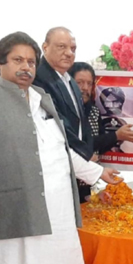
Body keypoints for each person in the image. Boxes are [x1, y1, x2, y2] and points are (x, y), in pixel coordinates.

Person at [0, 32, 122, 264]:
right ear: (1, 64)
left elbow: (60, 150)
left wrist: (96, 172)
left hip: (57, 213)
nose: (26, 67)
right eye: (17, 60)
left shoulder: (41, 97)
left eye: (31, 61)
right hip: (14, 212)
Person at [33, 27, 95, 202]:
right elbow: (59, 125)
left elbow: (83, 123)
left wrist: (87, 151)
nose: (69, 53)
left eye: (73, 49)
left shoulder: (71, 82)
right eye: (62, 47)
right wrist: (85, 156)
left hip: (76, 165)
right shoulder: (38, 79)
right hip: (56, 166)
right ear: (45, 47)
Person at [69, 62, 133, 157]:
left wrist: (120, 137)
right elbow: (78, 143)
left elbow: (100, 147)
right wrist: (115, 136)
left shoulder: (94, 111)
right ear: (68, 83)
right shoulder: (64, 110)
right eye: (80, 83)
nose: (85, 88)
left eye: (89, 83)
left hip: (96, 169)